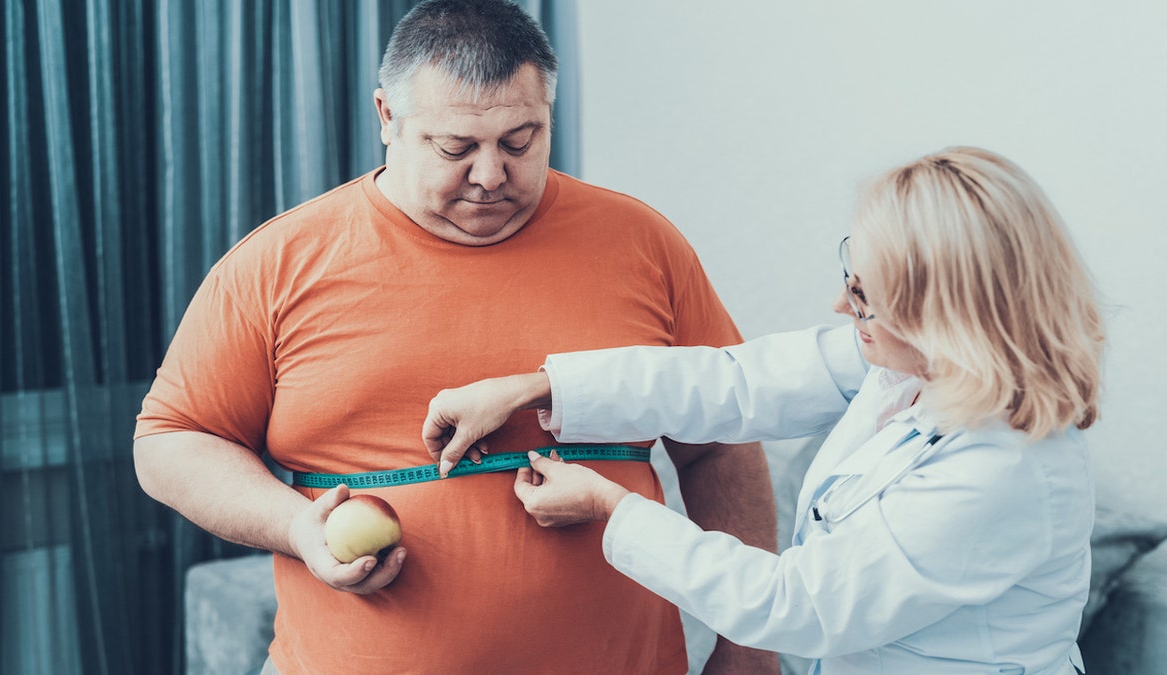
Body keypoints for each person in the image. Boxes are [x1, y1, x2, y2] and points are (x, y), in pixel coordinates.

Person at [133, 1, 778, 673]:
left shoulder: (643, 244)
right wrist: (296, 525)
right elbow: (171, 440)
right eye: (456, 147)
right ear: (388, 117)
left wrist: (749, 645)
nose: (492, 175)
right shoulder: (278, 263)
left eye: (520, 140)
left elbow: (721, 442)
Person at [423, 146, 1104, 674]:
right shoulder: (915, 367)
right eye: (850, 275)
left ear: (945, 317)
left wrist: (611, 509)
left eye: (867, 297)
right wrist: (537, 389)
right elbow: (732, 383)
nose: (843, 308)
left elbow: (795, 604)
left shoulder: (1003, 468)